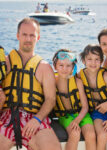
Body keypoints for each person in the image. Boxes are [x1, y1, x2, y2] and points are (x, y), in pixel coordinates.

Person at [0, 18, 61, 150]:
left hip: (35, 118)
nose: (28, 39)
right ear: (18, 36)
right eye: (24, 34)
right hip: (7, 116)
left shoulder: (45, 67)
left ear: (38, 37)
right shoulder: (5, 63)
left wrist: (37, 119)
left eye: (32, 35)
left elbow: (50, 100)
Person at [78, 44, 107, 150]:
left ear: (102, 61)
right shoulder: (80, 75)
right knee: (102, 136)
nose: (93, 63)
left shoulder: (105, 76)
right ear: (83, 60)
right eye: (89, 59)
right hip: (97, 112)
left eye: (97, 59)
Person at [52, 49, 96, 150]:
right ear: (55, 66)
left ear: (73, 67)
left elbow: (85, 107)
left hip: (82, 115)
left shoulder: (77, 82)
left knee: (90, 134)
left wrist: (77, 120)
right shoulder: (52, 82)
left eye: (68, 66)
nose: (64, 69)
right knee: (75, 133)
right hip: (65, 116)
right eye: (61, 65)